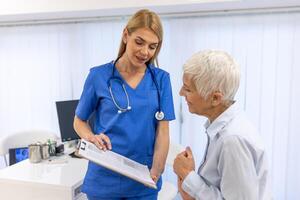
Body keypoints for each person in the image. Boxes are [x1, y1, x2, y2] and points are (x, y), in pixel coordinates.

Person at [73, 9, 175, 200]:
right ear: (126, 35)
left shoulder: (161, 80)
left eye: (152, 47)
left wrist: (157, 169)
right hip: (104, 177)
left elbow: (163, 131)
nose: (145, 52)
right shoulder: (98, 76)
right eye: (139, 42)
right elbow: (79, 121)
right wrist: (90, 137)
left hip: (143, 179)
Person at [173, 50, 271, 200]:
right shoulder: (221, 128)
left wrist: (188, 176)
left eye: (188, 89)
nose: (181, 93)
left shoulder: (232, 140)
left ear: (215, 98)